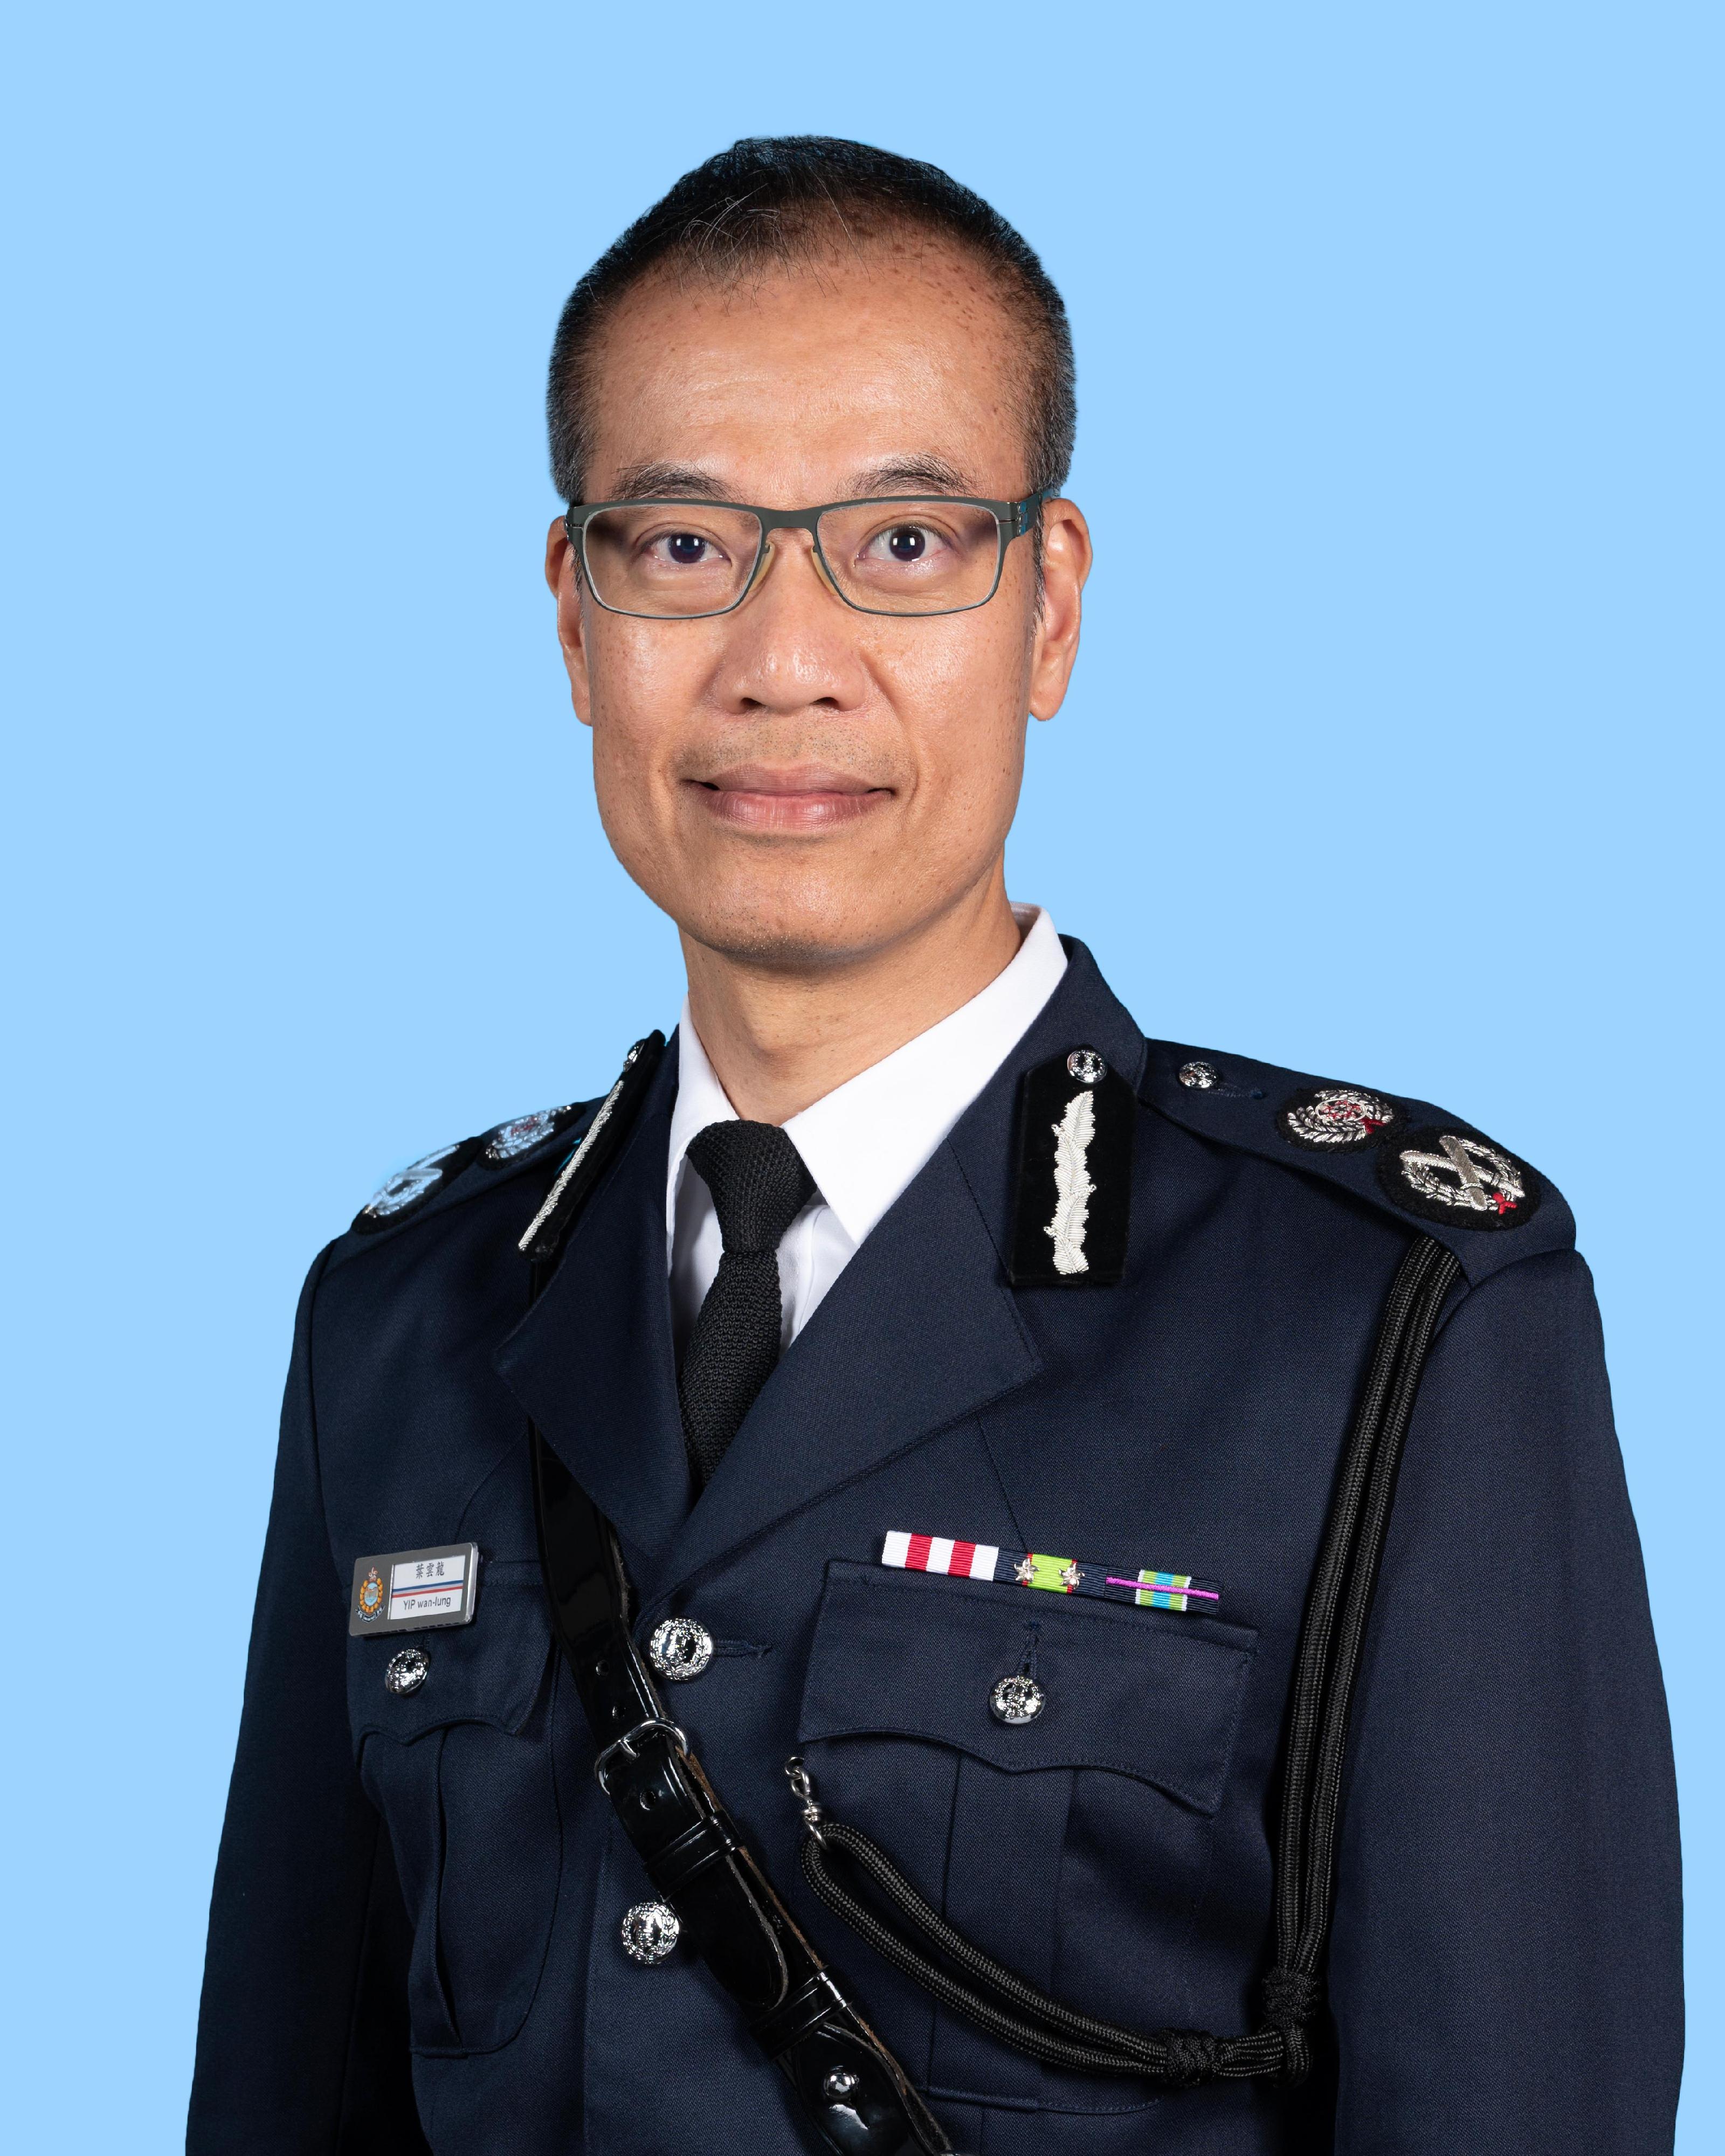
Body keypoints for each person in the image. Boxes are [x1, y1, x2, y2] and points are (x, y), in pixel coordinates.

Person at [187, 137, 1682, 2156]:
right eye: (683, 545)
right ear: (575, 618)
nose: (783, 661)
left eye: (902, 544)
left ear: (1049, 609)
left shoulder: (1391, 1320)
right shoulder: (405, 1316)